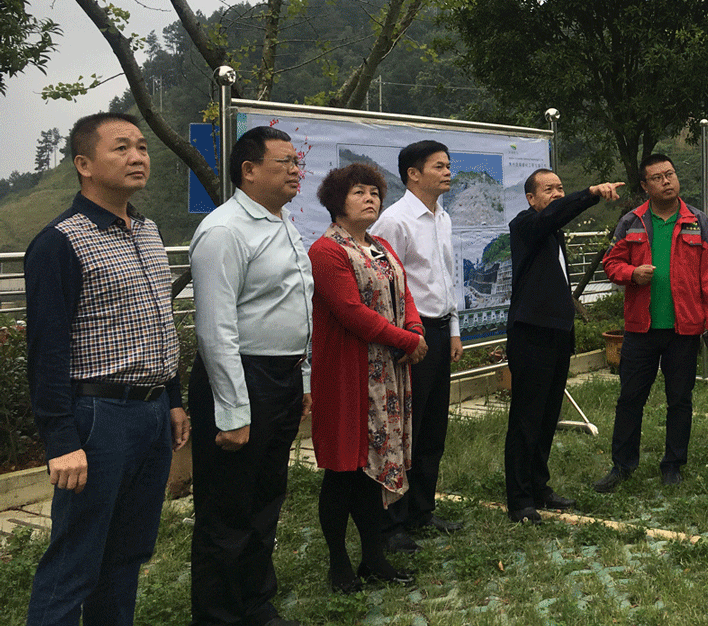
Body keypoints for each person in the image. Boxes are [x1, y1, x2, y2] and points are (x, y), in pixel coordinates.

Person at [23, 112, 189, 626]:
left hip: (152, 413)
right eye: (121, 148)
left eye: (142, 147)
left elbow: (158, 321)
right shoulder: (59, 242)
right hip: (99, 417)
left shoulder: (147, 230)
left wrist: (173, 400)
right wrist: (61, 440)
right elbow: (47, 351)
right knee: (75, 561)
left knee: (128, 555)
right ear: (84, 164)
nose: (138, 157)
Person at [188, 126, 314, 626]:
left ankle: (255, 603)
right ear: (249, 170)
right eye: (285, 162)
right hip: (241, 377)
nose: (295, 171)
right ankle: (218, 615)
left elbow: (297, 310)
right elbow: (215, 329)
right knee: (227, 509)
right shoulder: (225, 230)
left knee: (266, 499)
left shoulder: (282, 224)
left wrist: (303, 383)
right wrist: (234, 411)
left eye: (297, 162)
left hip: (282, 376)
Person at [309, 164, 428, 593]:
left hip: (388, 373)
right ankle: (339, 563)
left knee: (371, 470)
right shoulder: (326, 251)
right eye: (359, 192)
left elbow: (405, 293)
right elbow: (351, 312)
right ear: (336, 201)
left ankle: (374, 558)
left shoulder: (380, 246)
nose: (370, 199)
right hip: (348, 375)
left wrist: (414, 328)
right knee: (343, 470)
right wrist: (406, 339)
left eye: (375, 192)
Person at [595, 154, 708, 492]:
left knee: (680, 400)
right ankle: (622, 466)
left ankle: (673, 465)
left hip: (683, 329)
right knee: (630, 399)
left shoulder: (697, 222)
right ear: (645, 186)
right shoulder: (631, 222)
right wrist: (631, 273)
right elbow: (611, 263)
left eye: (670, 174)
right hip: (640, 329)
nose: (666, 181)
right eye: (657, 177)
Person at [503, 169, 624, 523]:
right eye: (548, 189)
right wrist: (590, 193)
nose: (557, 194)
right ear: (530, 198)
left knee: (547, 417)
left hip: (557, 335)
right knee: (526, 419)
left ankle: (539, 486)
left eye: (560, 188)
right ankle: (520, 499)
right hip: (531, 335)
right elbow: (554, 215)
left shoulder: (553, 232)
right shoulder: (525, 225)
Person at [372, 140, 465, 550]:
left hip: (440, 329)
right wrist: (406, 336)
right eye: (438, 166)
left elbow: (447, 276)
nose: (447, 172)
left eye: (448, 165)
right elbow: (384, 283)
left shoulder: (442, 217)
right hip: (411, 334)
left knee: (432, 427)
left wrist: (455, 328)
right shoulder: (394, 221)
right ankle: (393, 521)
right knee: (405, 428)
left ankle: (423, 510)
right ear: (413, 174)